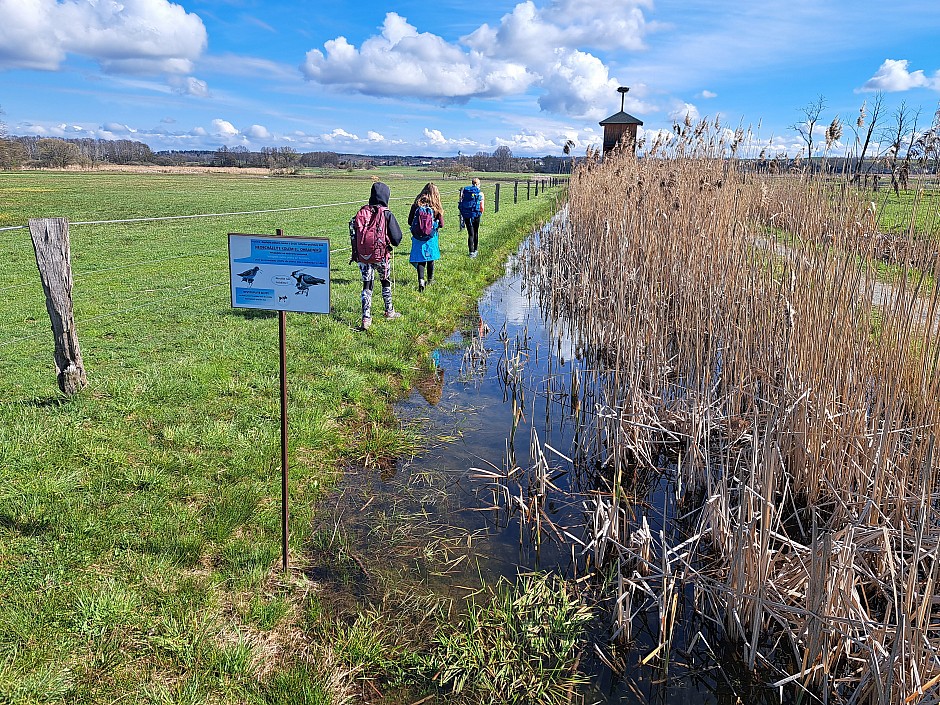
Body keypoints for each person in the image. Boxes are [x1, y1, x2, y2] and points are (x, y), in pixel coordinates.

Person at [349, 181, 403, 330]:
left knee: (367, 285)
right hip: (381, 255)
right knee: (385, 281)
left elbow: (353, 231)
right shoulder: (386, 214)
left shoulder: (361, 212)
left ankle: (366, 318)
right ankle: (389, 310)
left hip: (363, 256)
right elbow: (397, 239)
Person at [407, 182, 444, 292]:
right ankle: (430, 279)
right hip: (431, 236)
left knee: (420, 259)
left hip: (418, 237)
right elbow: (441, 224)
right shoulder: (435, 206)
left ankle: (421, 280)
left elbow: (410, 221)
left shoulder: (416, 204)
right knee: (430, 258)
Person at [458, 177, 484, 258]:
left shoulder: (465, 192)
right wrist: (480, 213)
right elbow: (482, 207)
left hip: (466, 214)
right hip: (476, 214)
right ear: (478, 184)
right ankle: (475, 250)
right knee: (476, 232)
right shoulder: (480, 193)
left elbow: (462, 202)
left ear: (472, 183)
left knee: (470, 233)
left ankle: (471, 252)